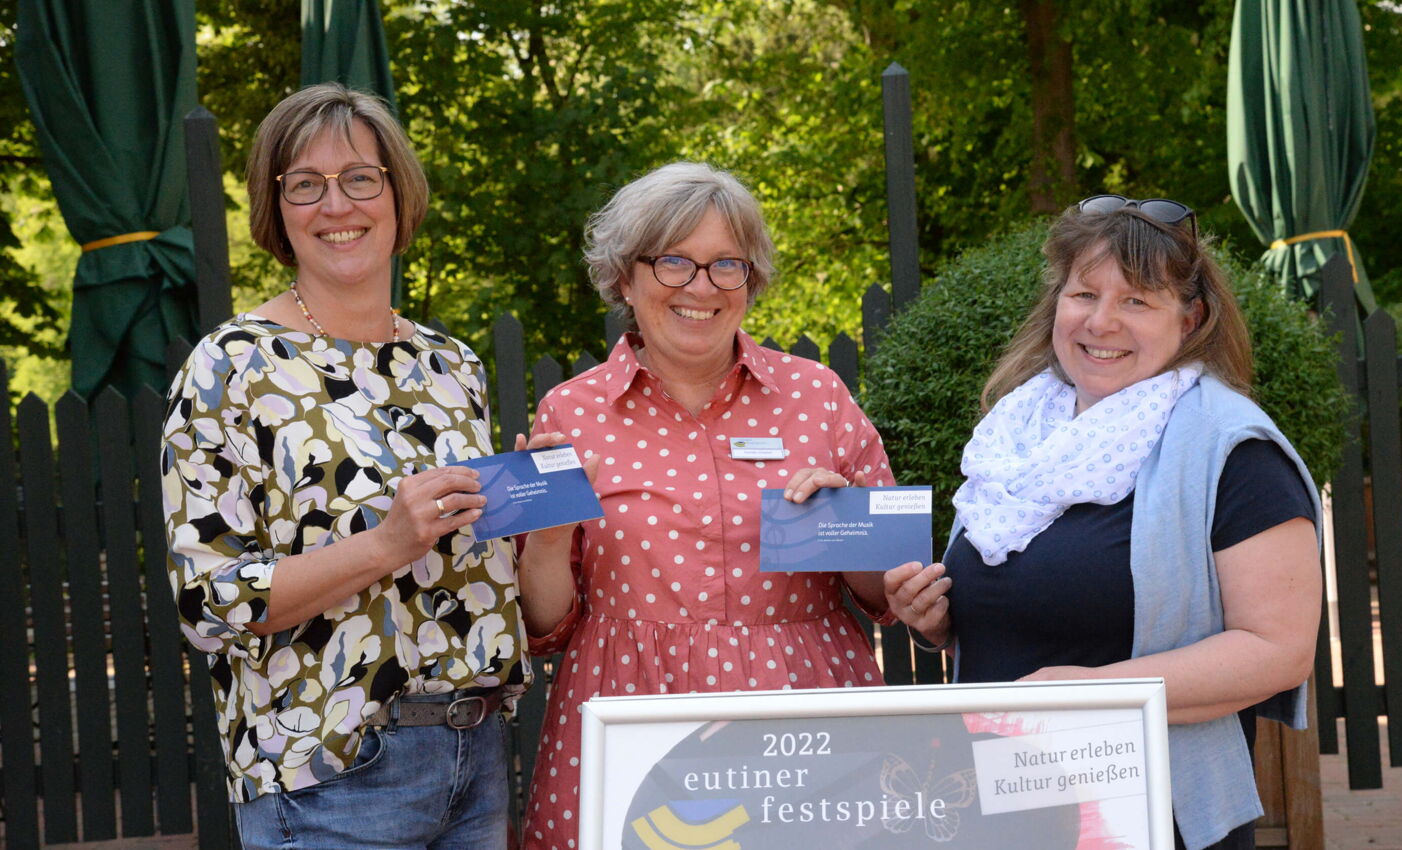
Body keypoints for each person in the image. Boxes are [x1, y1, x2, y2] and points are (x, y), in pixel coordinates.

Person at [162, 83, 555, 850]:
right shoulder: (230, 367)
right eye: (305, 184)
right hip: (330, 775)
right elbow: (212, 603)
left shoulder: (449, 365)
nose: (335, 205)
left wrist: (538, 513)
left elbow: (483, 574)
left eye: (360, 179)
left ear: (399, 196)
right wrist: (386, 542)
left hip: (474, 758)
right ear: (277, 212)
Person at [885, 195, 1322, 850]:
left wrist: (1096, 692)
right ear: (1056, 304)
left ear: (1191, 317)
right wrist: (941, 621)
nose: (1102, 321)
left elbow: (1278, 651)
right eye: (1084, 294)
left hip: (1147, 815)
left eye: (1137, 302)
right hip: (1001, 803)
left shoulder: (1232, 449)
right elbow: (1032, 613)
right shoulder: (1018, 435)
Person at [515, 161, 896, 850]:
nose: (701, 287)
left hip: (802, 713)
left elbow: (888, 591)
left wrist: (854, 528)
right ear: (624, 277)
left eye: (727, 265)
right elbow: (545, 625)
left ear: (750, 280)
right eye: (673, 263)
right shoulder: (572, 412)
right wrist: (544, 539)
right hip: (629, 715)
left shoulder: (819, 397)